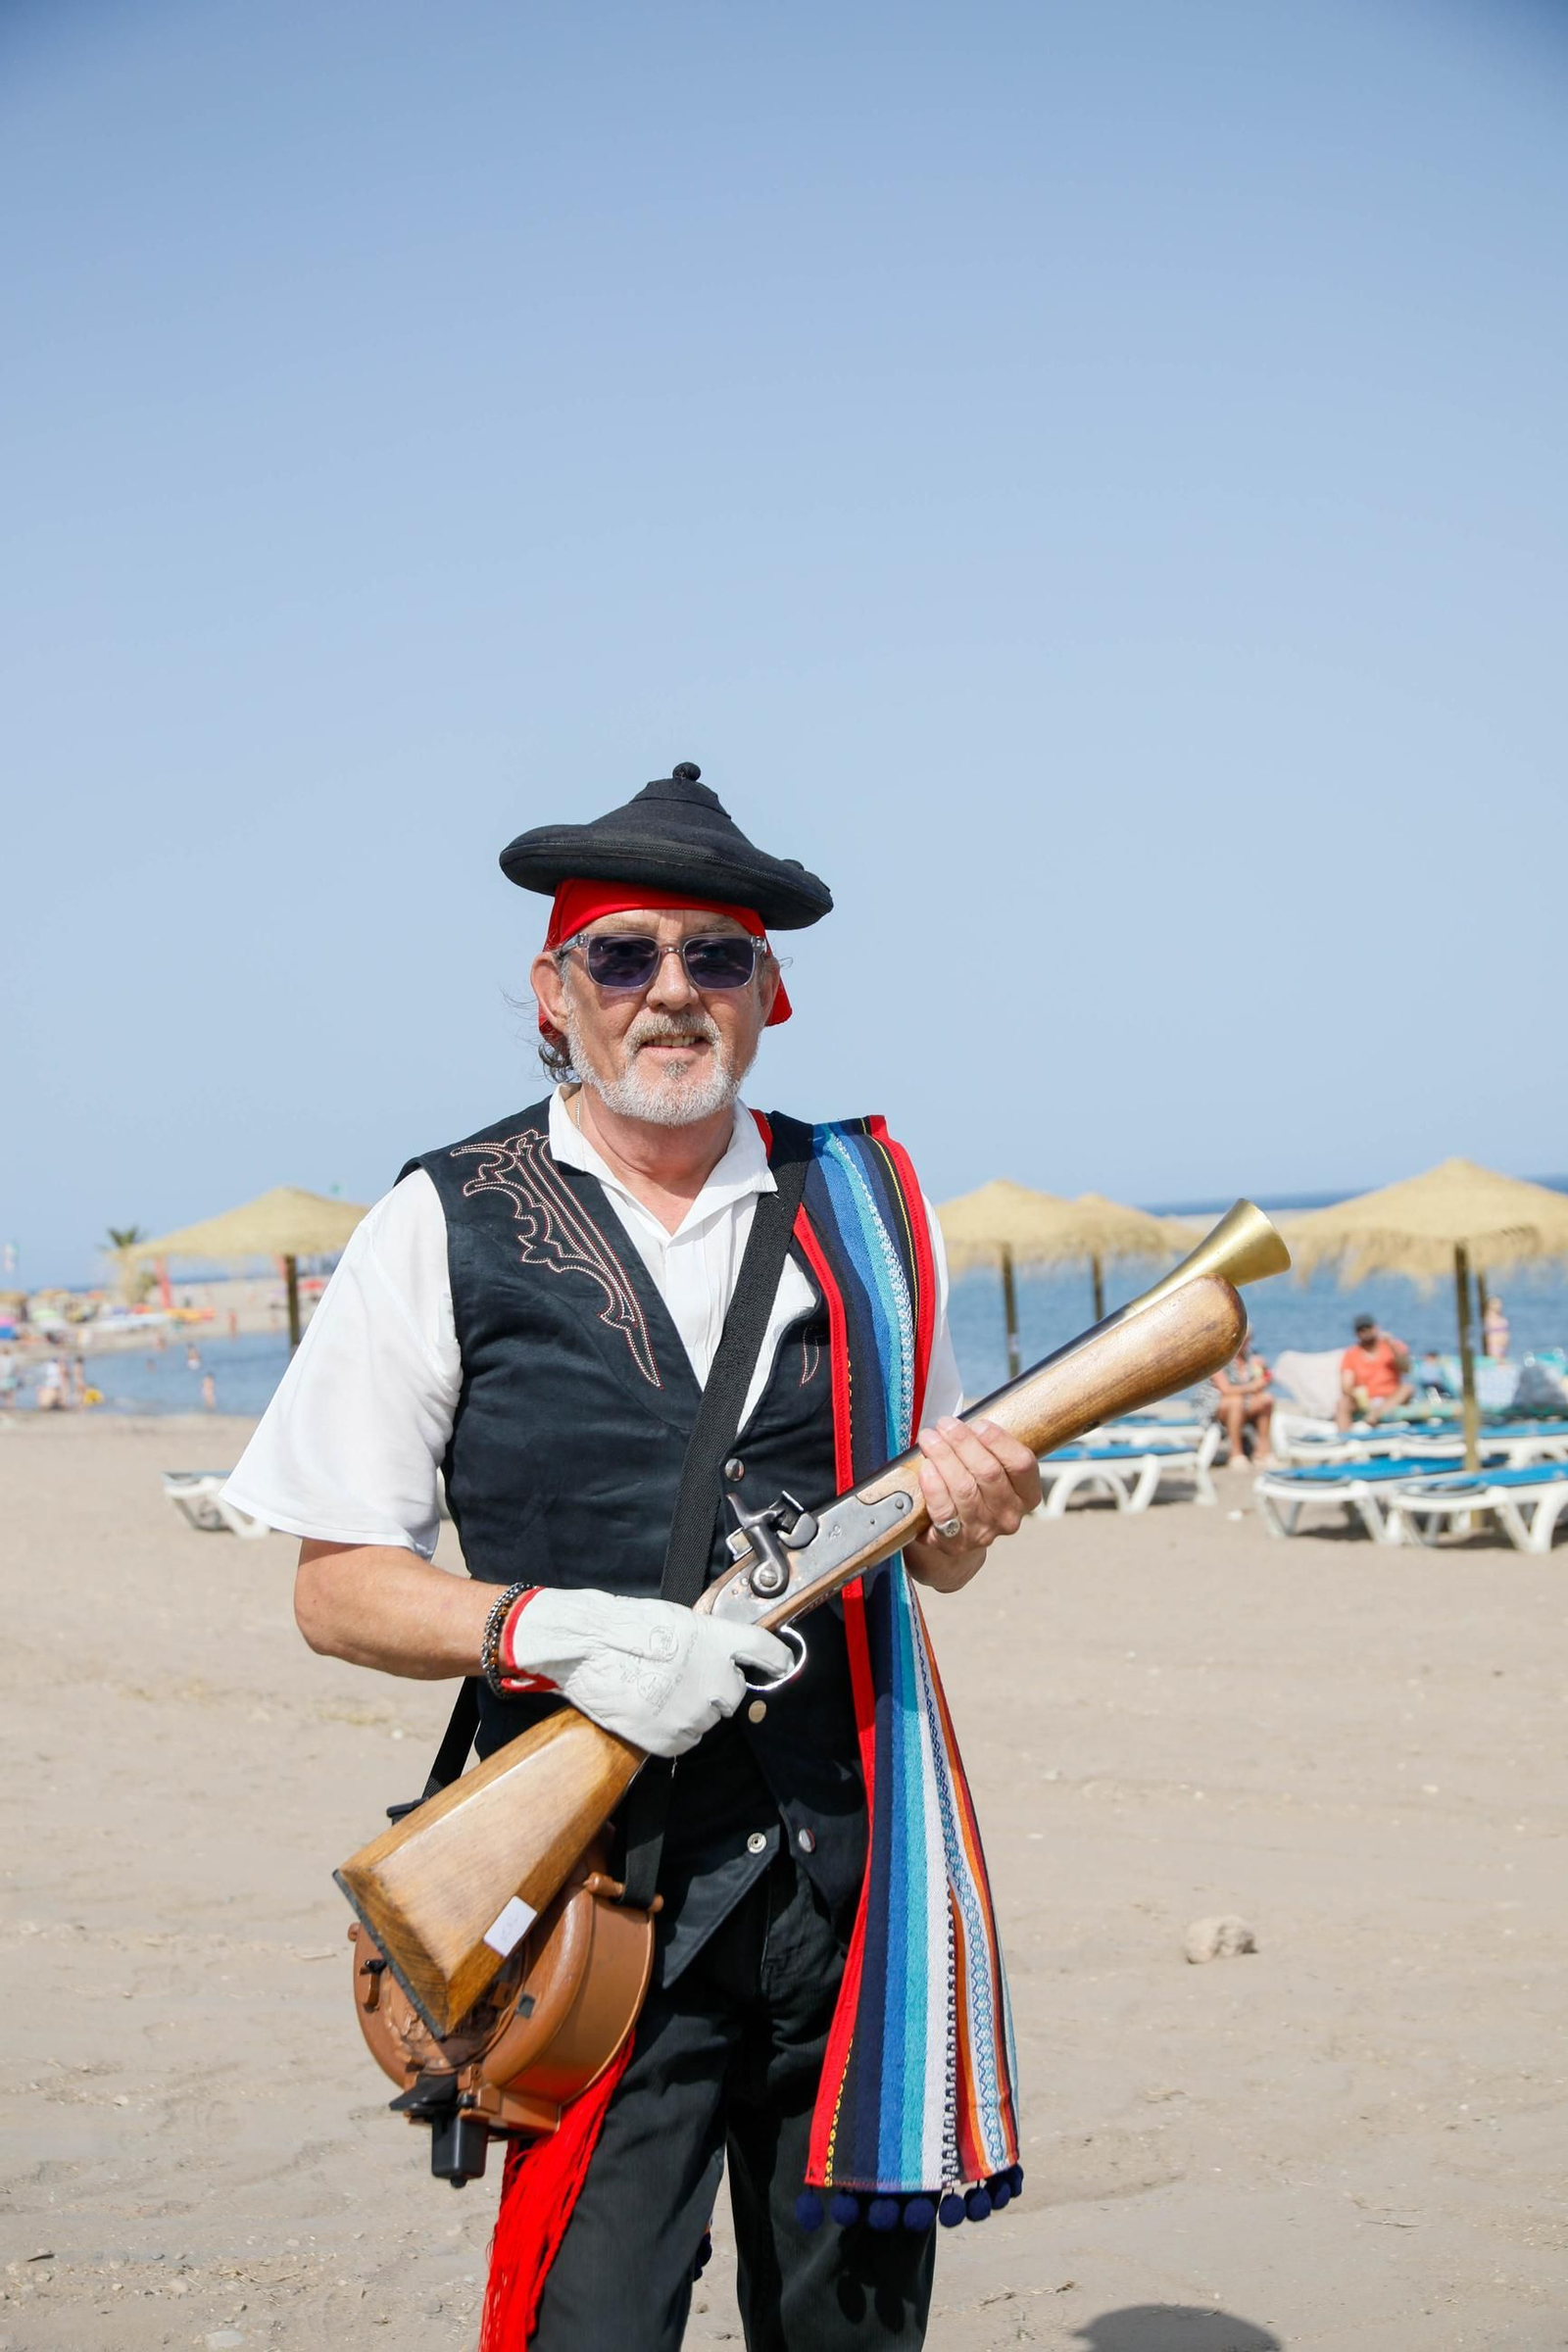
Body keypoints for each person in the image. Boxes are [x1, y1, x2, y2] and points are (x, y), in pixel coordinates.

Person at [222, 762, 1039, 2352]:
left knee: (851, 2335)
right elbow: (335, 1586)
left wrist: (975, 1521)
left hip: (844, 1895)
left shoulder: (867, 1211)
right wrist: (555, 1631)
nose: (672, 992)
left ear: (770, 993)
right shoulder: (436, 1221)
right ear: (555, 991)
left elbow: (928, 1554)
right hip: (587, 1901)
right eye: (624, 954)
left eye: (714, 957)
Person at [1335, 1313, 1412, 1429]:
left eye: (1368, 1328)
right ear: (1356, 1333)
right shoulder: (1351, 1354)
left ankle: (1375, 1415)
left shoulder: (1391, 1346)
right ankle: (1343, 1438)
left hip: (1390, 1398)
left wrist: (1392, 1345)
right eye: (1361, 1330)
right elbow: (1346, 1384)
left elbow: (1406, 1368)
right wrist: (1354, 1393)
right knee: (1343, 1402)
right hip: (1365, 1400)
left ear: (1376, 1328)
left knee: (1407, 1388)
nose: (1365, 1332)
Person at [1211, 1339, 1273, 1468]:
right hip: (1215, 1405)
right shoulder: (1218, 1357)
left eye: (1247, 1340)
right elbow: (1225, 1389)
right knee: (1236, 1401)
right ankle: (1236, 1454)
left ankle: (1263, 1452)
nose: (1245, 1344)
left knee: (1266, 1399)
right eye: (1242, 1340)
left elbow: (1262, 1385)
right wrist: (1252, 1386)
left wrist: (1265, 1374)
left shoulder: (1251, 1358)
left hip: (1243, 1404)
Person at [1483, 1294, 1510, 1361]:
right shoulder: (1488, 1317)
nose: (1499, 1306)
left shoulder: (1501, 1316)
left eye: (1500, 1303)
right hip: (1494, 1347)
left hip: (1503, 1347)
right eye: (1496, 1303)